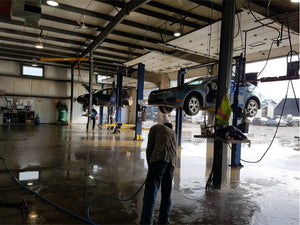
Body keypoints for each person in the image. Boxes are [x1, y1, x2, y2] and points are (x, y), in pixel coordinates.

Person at [140, 122, 177, 225]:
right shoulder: (173, 133)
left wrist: (150, 166)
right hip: (171, 164)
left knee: (151, 193)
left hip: (158, 159)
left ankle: (147, 222)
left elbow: (149, 149)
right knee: (167, 193)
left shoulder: (155, 128)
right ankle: (164, 220)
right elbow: (175, 151)